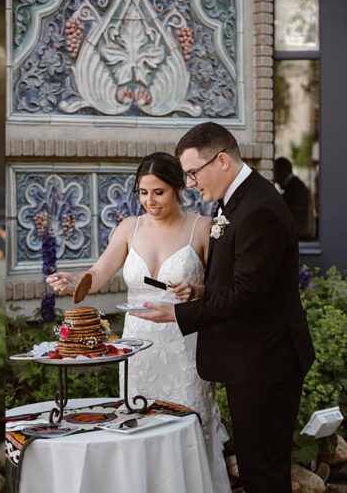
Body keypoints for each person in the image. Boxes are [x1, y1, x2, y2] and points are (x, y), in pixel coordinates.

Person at [138, 122, 315, 493]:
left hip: (266, 362)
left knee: (263, 472)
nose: (189, 184)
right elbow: (244, 280)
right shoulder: (238, 200)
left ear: (221, 160)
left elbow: (248, 295)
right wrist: (202, 290)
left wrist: (176, 313)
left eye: (192, 173)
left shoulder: (258, 208)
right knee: (256, 468)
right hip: (253, 359)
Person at [46, 152, 232, 493]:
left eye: (158, 192)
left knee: (188, 430)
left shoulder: (202, 228)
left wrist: (197, 289)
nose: (150, 201)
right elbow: (98, 273)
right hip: (138, 350)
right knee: (140, 428)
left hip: (185, 348)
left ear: (178, 187)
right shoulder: (129, 227)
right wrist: (73, 282)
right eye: (143, 193)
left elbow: (222, 292)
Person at [273, 157, 314, 240]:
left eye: (275, 173)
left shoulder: (294, 187)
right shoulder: (295, 185)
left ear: (282, 171)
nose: (275, 179)